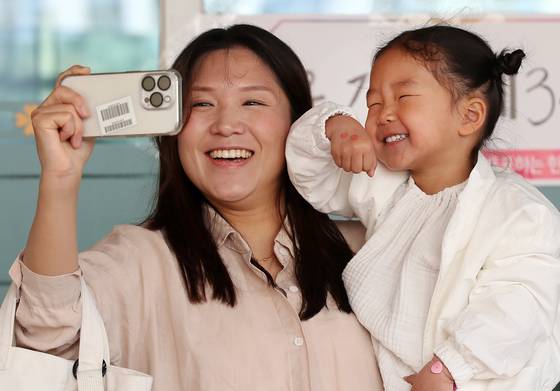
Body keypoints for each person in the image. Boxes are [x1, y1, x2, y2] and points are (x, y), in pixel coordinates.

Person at [11, 24, 384, 391]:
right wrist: (60, 178)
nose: (226, 125)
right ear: (172, 130)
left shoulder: (368, 249)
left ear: (298, 122)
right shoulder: (139, 260)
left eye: (252, 101)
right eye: (201, 104)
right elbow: (45, 334)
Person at [286, 24, 560, 391]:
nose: (382, 114)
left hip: (473, 379)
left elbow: (519, 306)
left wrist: (449, 368)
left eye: (403, 97)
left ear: (469, 116)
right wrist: (336, 127)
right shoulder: (382, 185)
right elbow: (309, 174)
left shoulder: (517, 213)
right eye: (372, 103)